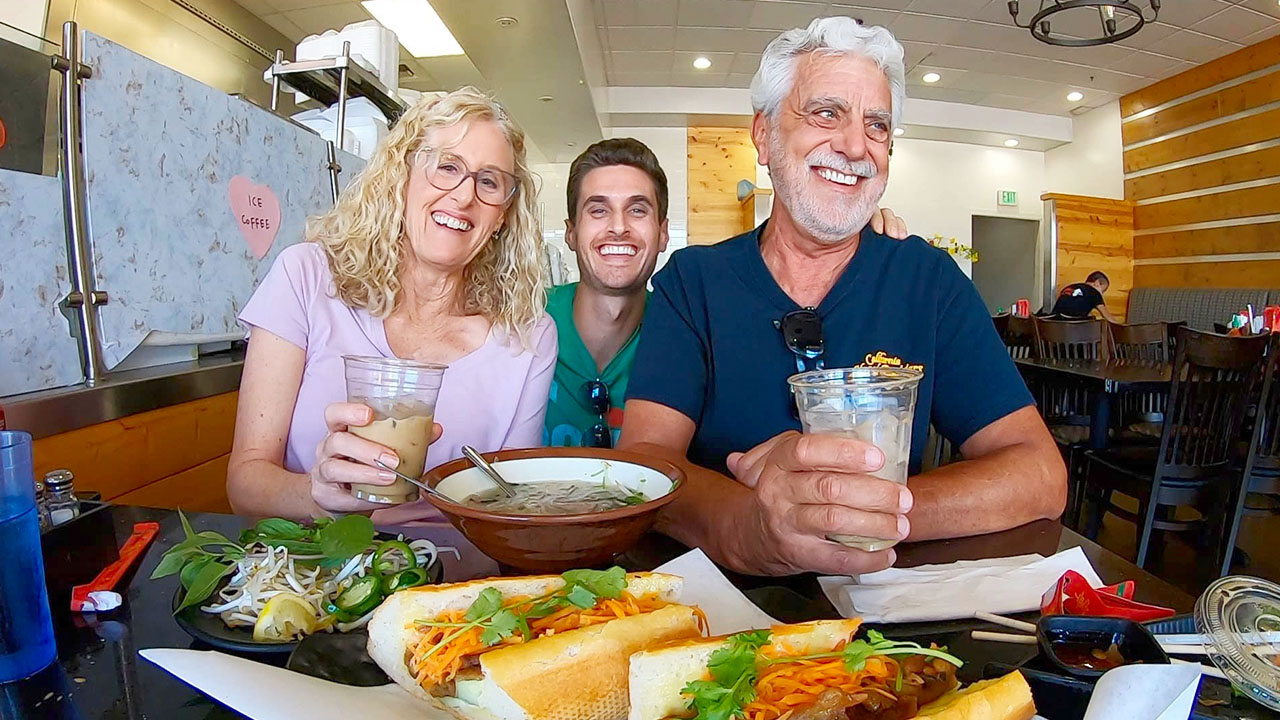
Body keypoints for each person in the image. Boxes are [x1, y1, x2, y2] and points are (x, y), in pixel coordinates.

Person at [618, 18, 1066, 576]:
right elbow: (643, 461)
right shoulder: (694, 282)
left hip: (886, 617)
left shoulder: (927, 280)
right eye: (827, 113)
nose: (856, 146)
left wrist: (865, 515)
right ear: (764, 135)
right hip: (721, 606)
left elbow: (1040, 475)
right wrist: (750, 527)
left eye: (876, 125)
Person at [227, 87, 556, 523]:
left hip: (457, 582)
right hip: (316, 575)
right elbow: (245, 484)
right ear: (401, 177)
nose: (463, 196)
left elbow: (508, 512)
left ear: (502, 217)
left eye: (489, 181)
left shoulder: (528, 338)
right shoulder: (306, 278)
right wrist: (318, 493)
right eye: (447, 167)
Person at [544, 138, 909, 448]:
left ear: (663, 234)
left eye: (637, 210)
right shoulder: (522, 320)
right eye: (598, 210)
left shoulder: (689, 330)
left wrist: (850, 223)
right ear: (572, 233)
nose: (619, 227)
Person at [1050, 271, 1116, 321]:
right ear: (1097, 283)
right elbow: (1107, 317)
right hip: (1073, 330)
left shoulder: (1069, 288)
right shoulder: (1094, 293)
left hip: (1054, 326)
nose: (1101, 294)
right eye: (1102, 291)